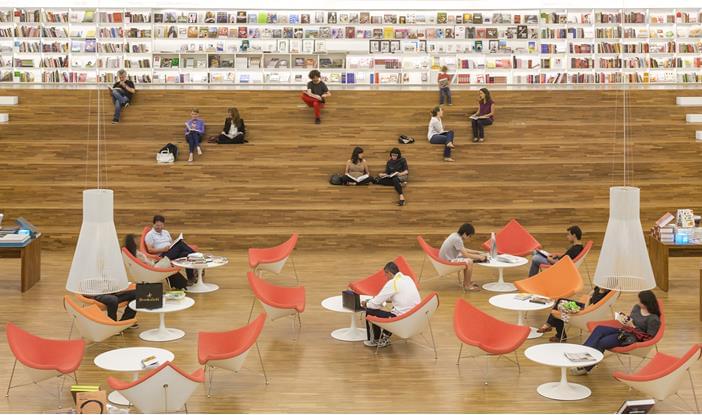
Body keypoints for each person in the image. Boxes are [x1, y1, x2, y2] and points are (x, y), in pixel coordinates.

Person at [572, 290, 661, 375]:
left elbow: (648, 338)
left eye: (640, 301)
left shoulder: (653, 319)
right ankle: (583, 353)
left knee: (602, 342)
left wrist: (633, 327)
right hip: (625, 330)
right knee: (599, 329)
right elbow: (631, 319)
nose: (638, 303)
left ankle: (586, 367)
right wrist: (625, 319)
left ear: (647, 303)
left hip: (632, 337)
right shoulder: (637, 308)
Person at [361, 261, 421, 348]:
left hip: (401, 320)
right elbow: (402, 297)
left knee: (370, 311)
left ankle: (376, 340)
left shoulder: (393, 283)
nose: (386, 278)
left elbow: (374, 305)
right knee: (394, 308)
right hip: (415, 318)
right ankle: (385, 336)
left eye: (386, 275)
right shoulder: (408, 279)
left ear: (388, 272)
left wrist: (366, 303)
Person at [537, 286, 611, 342]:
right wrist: (591, 294)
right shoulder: (601, 287)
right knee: (560, 301)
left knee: (558, 312)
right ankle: (553, 329)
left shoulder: (603, 293)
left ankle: (552, 328)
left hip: (585, 310)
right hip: (585, 305)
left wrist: (590, 298)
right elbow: (591, 293)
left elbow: (591, 304)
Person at [144, 215, 198, 284]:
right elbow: (150, 250)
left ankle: (191, 278)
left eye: (161, 225)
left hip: (171, 252)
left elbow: (171, 242)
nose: (159, 227)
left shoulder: (165, 232)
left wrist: (174, 243)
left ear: (163, 224)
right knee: (180, 244)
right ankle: (196, 256)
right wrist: (162, 249)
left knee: (187, 254)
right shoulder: (150, 235)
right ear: (153, 224)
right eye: (157, 225)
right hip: (162, 256)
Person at [439, 223, 487, 291]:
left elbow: (463, 249)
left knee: (467, 260)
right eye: (469, 236)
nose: (469, 238)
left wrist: (477, 252)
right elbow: (466, 255)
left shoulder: (455, 235)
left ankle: (467, 282)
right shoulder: (457, 239)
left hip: (445, 258)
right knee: (469, 261)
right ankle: (467, 286)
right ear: (465, 234)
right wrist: (479, 257)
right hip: (446, 261)